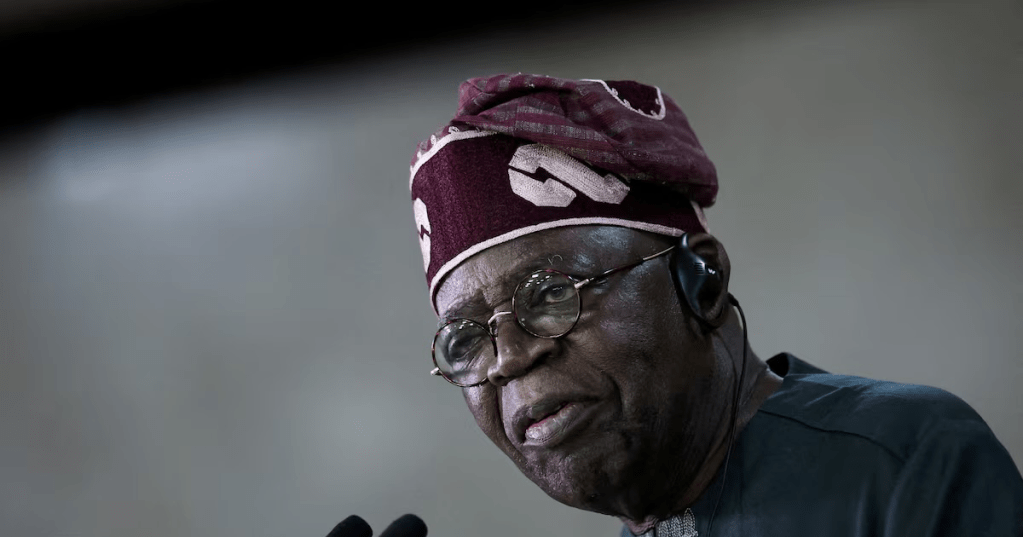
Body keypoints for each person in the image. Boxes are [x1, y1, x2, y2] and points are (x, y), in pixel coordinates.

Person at [331, 74, 1023, 536]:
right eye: (465, 339)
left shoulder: (904, 461)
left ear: (703, 281)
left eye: (549, 293)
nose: (510, 356)